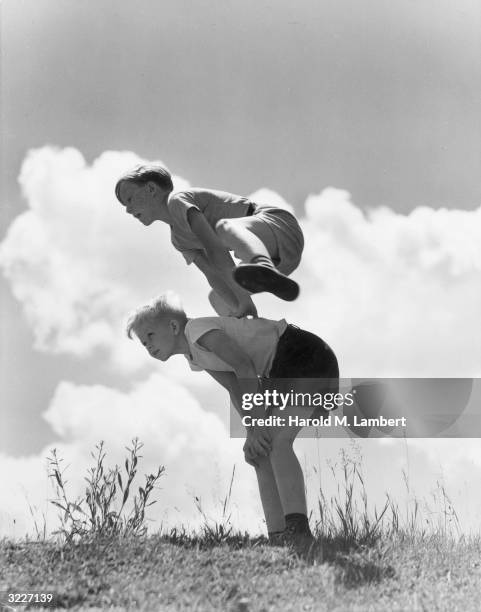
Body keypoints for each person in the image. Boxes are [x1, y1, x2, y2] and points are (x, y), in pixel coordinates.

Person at [125, 292, 339, 546]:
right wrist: (252, 432)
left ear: (173, 326)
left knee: (278, 440)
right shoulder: (194, 356)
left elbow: (244, 367)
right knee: (260, 451)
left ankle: (299, 530)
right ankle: (279, 536)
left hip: (302, 355)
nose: (148, 346)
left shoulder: (197, 330)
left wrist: (260, 426)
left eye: (150, 335)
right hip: (280, 371)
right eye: (143, 343)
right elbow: (235, 388)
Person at [115, 164, 304, 317]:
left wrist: (244, 298)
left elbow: (215, 249)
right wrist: (242, 307)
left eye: (130, 199)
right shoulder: (178, 240)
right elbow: (212, 275)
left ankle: (263, 266)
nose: (128, 209)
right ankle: (252, 332)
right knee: (218, 299)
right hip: (282, 259)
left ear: (151, 189)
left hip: (277, 226)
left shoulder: (177, 201)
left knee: (224, 228)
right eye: (124, 205)